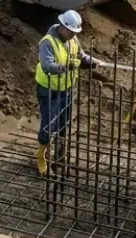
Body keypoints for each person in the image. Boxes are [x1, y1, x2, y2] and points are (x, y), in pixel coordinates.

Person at [34, 10, 98, 175]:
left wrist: (87, 60)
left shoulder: (72, 39)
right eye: (70, 32)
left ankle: (60, 157)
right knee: (48, 125)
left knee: (64, 124)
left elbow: (80, 54)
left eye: (75, 33)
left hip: (66, 89)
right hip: (48, 90)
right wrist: (68, 66)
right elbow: (47, 66)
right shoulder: (47, 42)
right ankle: (42, 156)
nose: (72, 35)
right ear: (62, 27)